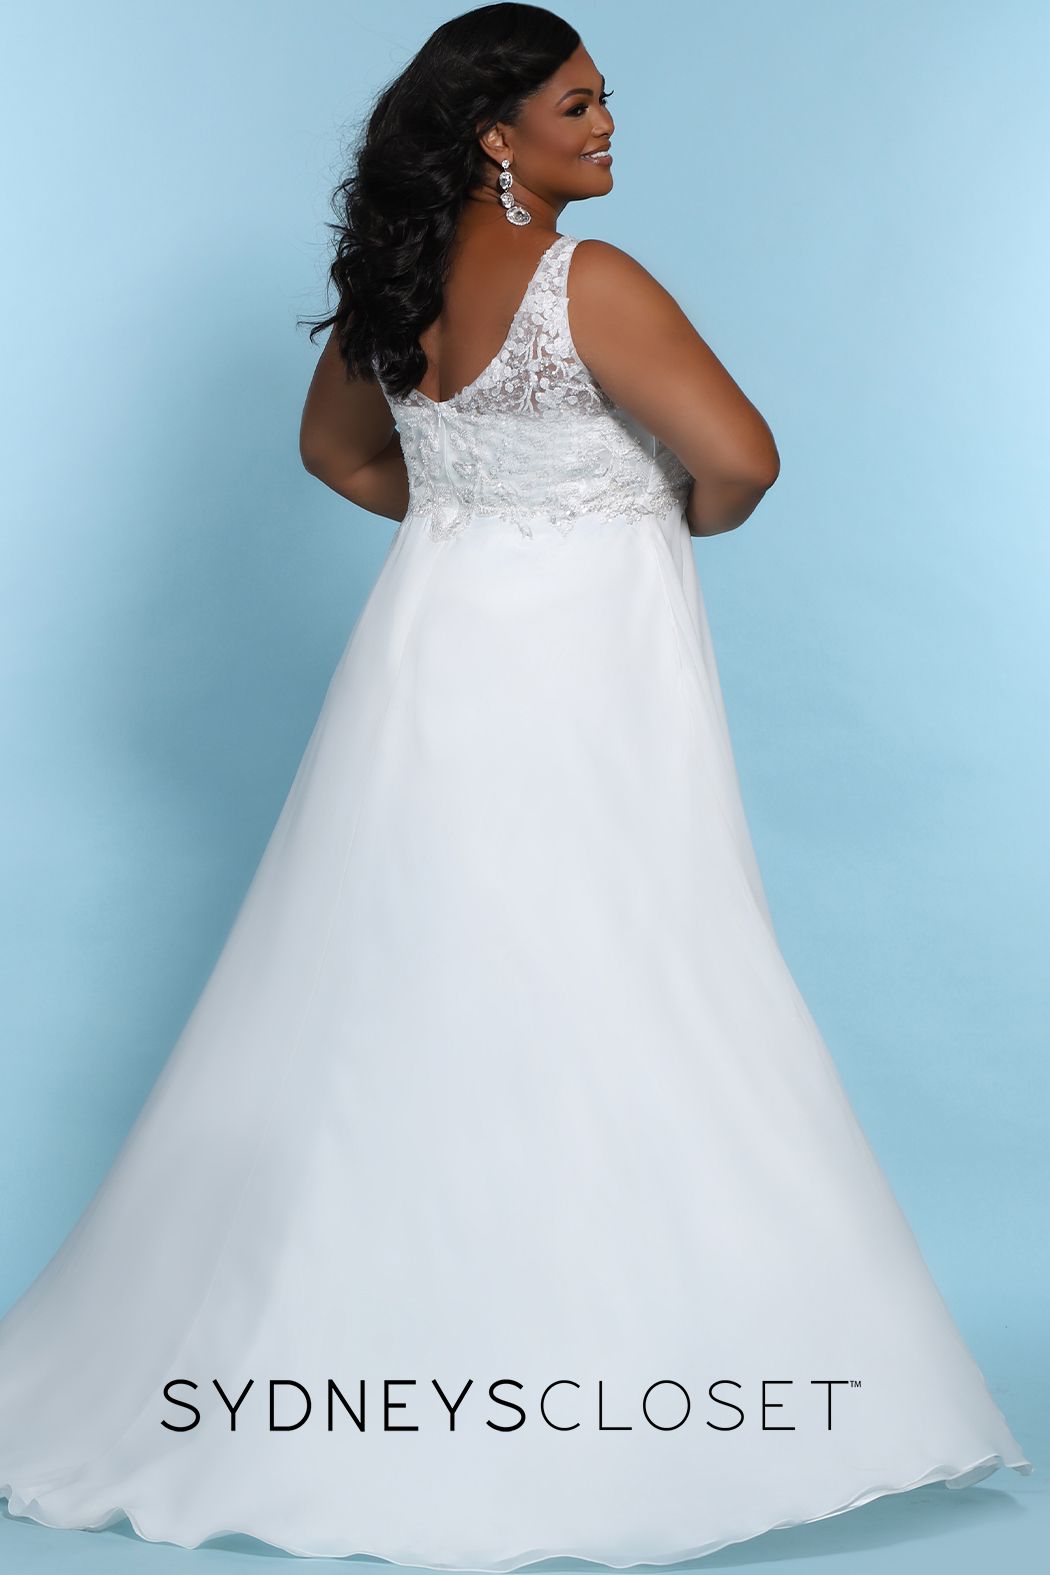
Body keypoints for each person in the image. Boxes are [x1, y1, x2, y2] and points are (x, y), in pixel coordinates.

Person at [0, 5, 1032, 1568]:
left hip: (426, 658)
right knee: (617, 971)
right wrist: (641, 518)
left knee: (407, 986)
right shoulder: (586, 279)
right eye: (578, 103)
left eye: (604, 100)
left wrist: (475, 516)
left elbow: (339, 456)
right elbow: (742, 461)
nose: (606, 126)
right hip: (580, 676)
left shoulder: (395, 284)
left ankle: (370, 1365)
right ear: (497, 134)